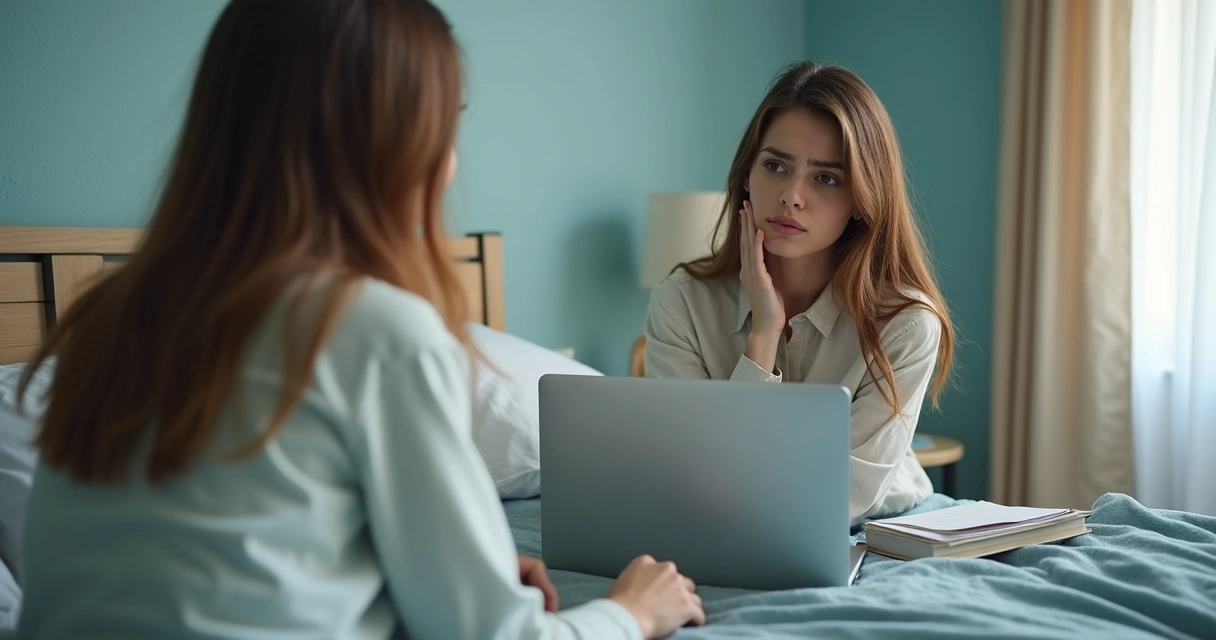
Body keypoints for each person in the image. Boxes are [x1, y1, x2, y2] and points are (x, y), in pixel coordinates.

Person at [15, 0, 703, 638]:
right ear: (391, 142)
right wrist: (630, 613)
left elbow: (246, 555)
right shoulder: (379, 332)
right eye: (446, 125)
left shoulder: (103, 318)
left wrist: (461, 566)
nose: (453, 159)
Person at [644, 62, 956, 524]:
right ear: (746, 176)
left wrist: (723, 486)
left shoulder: (905, 324)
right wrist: (763, 335)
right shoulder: (681, 304)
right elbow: (690, 479)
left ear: (862, 199)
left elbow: (845, 495)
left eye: (826, 177)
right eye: (775, 166)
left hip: (876, 520)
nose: (792, 195)